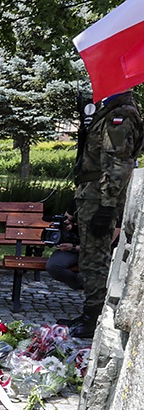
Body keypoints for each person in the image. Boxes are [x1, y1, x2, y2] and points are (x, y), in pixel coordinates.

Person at [67, 90, 143, 337]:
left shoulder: (120, 115)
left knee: (95, 257)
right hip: (92, 194)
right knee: (90, 254)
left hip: (100, 197)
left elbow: (117, 162)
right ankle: (90, 311)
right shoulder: (109, 111)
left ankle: (94, 317)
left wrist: (107, 205)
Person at [45, 212, 82, 292]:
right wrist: (65, 227)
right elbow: (66, 218)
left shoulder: (111, 207)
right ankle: (83, 284)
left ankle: (94, 290)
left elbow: (105, 245)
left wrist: (75, 248)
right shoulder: (77, 201)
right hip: (71, 247)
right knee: (53, 266)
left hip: (96, 252)